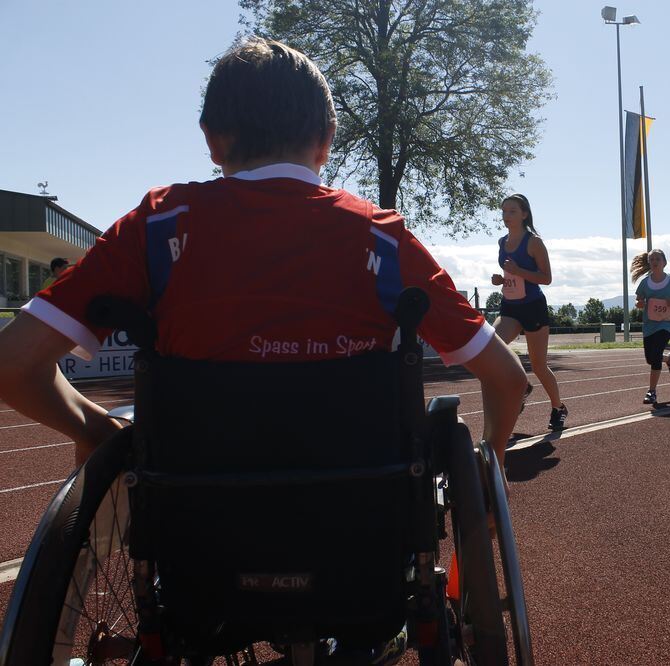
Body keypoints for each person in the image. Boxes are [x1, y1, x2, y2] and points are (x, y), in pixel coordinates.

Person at [0, 38, 527, 665]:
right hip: (365, 560)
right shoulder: (383, 242)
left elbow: (11, 364)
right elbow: (507, 379)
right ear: (327, 139)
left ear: (212, 139)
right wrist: (485, 491)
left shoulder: (156, 226)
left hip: (200, 561)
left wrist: (95, 428)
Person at [490, 193, 567, 431]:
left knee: (539, 365)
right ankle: (523, 387)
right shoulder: (502, 242)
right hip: (510, 306)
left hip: (533, 307)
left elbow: (546, 278)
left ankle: (558, 407)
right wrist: (501, 279)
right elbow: (512, 274)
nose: (506, 216)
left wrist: (518, 270)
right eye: (504, 211)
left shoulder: (534, 242)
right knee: (492, 344)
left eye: (512, 211)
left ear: (524, 214)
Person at [632, 249, 670, 404]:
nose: (655, 262)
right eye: (652, 259)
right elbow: (638, 301)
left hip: (666, 324)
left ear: (664, 262)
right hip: (649, 324)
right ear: (649, 263)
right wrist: (640, 303)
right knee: (650, 359)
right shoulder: (645, 283)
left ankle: (652, 392)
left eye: (658, 259)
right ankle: (669, 359)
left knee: (656, 353)